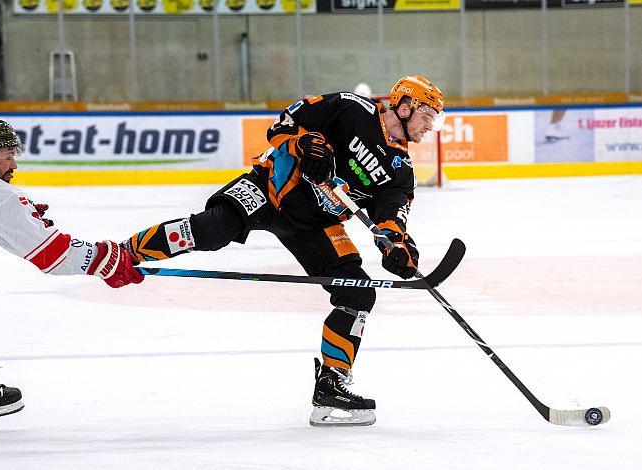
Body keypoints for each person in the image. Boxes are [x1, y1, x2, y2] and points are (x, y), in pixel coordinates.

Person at [121, 75, 445, 426]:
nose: (431, 127)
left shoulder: (401, 171)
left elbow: (392, 219)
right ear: (406, 105)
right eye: (428, 115)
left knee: (357, 292)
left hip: (315, 224)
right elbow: (283, 124)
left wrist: (398, 248)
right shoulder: (351, 108)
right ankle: (127, 253)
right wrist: (307, 144)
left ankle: (331, 387)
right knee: (213, 230)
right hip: (270, 187)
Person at [0, 117, 144, 420]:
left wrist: (22, 223)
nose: (13, 165)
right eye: (7, 156)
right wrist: (104, 259)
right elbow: (52, 255)